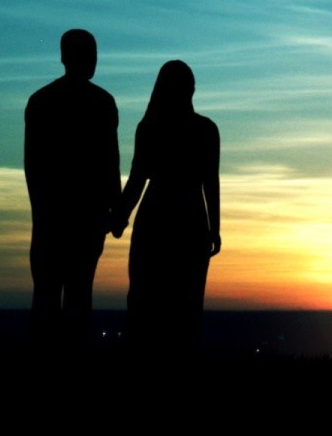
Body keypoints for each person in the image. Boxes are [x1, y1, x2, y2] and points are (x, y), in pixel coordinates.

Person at [112, 59, 220, 352]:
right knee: (180, 299)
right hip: (184, 219)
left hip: (163, 218)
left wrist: (121, 216)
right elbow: (209, 181)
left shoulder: (151, 127)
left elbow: (137, 179)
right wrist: (214, 228)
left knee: (155, 297)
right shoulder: (203, 129)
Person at [23, 29, 121, 349]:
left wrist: (42, 212)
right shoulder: (102, 103)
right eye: (91, 54)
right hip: (81, 220)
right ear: (68, 57)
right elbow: (110, 164)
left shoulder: (41, 101)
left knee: (50, 299)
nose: (94, 60)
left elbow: (33, 170)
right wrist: (114, 210)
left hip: (56, 219)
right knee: (75, 298)